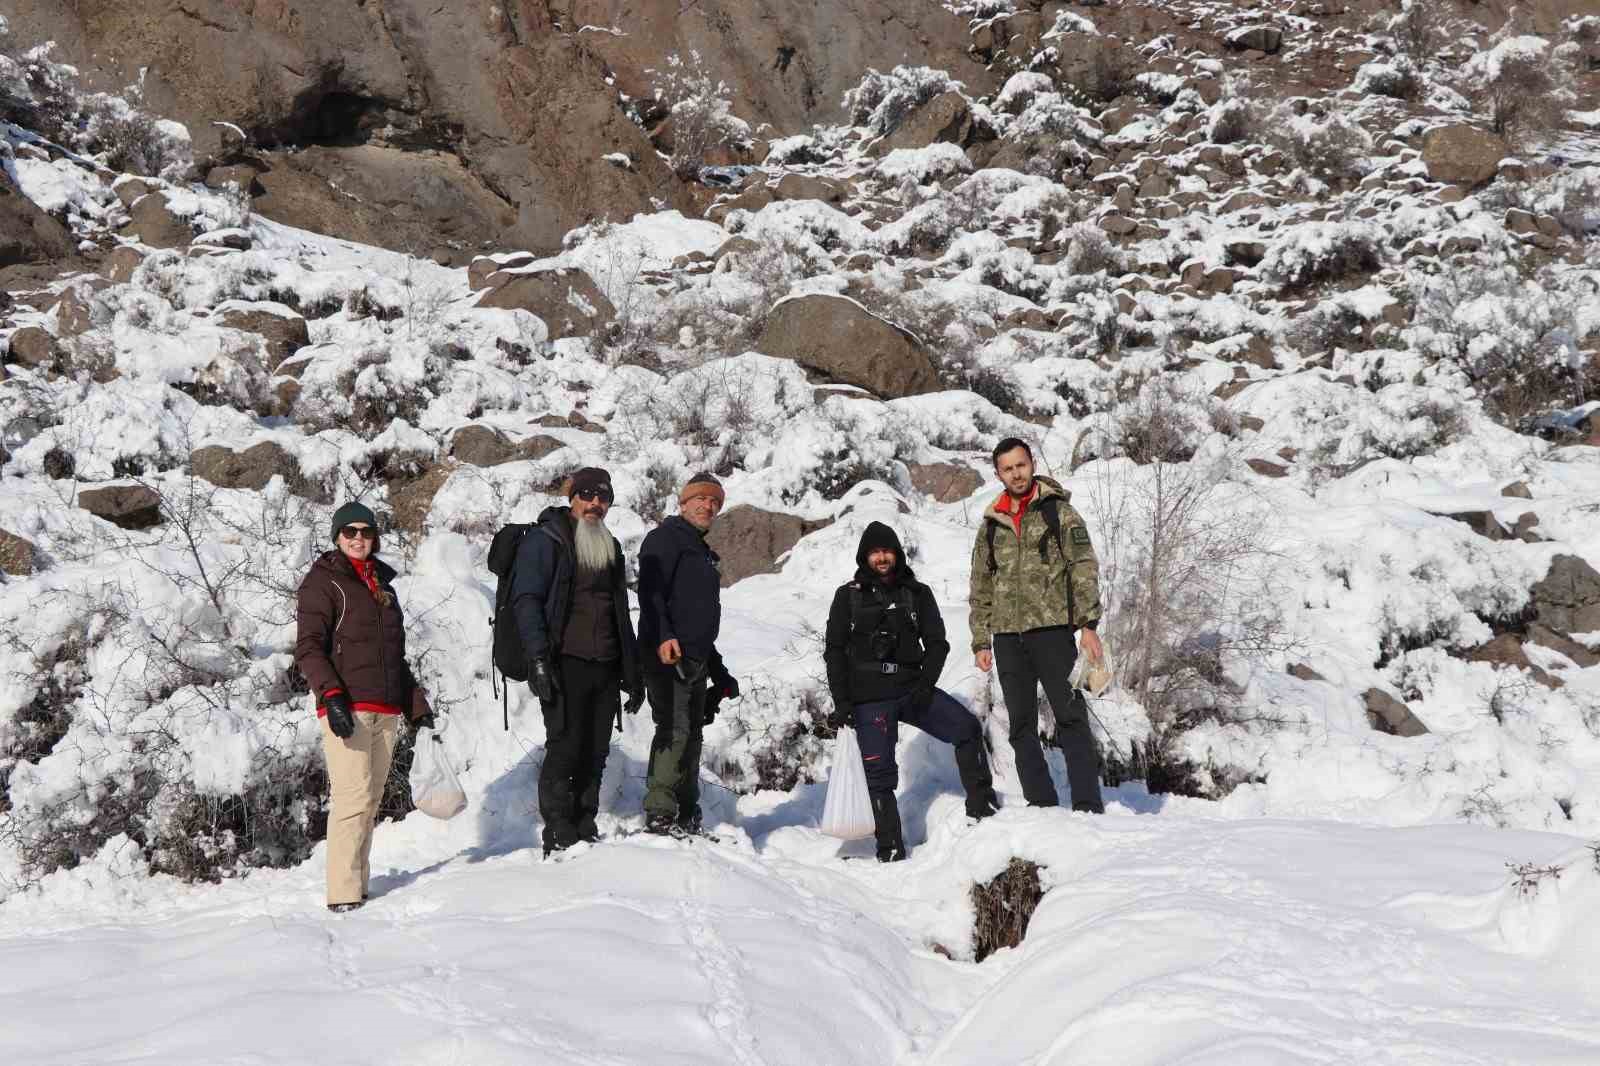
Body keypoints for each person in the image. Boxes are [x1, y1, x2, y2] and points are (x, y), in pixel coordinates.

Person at [824, 522, 998, 862]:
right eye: (874, 552)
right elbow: (834, 651)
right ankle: (889, 849)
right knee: (879, 775)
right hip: (868, 698)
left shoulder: (917, 593)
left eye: (887, 551)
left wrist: (925, 685)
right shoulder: (848, 596)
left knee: (966, 729)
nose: (882, 558)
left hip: (912, 690)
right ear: (865, 557)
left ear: (897, 553)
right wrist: (842, 702)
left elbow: (938, 644)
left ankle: (983, 809)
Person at [295, 501, 433, 913]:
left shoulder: (382, 586)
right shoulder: (323, 582)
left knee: (369, 800)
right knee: (353, 799)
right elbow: (308, 649)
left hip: (386, 708)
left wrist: (416, 704)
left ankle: (359, 884)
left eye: (366, 532)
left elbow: (395, 656)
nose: (359, 538)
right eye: (350, 531)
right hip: (347, 706)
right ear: (338, 536)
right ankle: (342, 894)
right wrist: (332, 697)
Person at [509, 467, 645, 856]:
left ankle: (586, 820)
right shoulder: (546, 540)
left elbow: (620, 612)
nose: (595, 503)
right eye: (588, 495)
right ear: (573, 497)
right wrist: (537, 658)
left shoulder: (609, 545)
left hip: (604, 664)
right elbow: (527, 600)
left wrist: (632, 671)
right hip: (562, 662)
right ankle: (558, 828)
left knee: (597, 748)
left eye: (603, 497)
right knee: (565, 746)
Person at [968, 438, 1106, 813]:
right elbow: (981, 582)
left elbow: (1083, 566)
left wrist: (1088, 624)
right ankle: (1041, 802)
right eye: (1008, 468)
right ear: (998, 474)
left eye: (1021, 465)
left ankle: (1087, 804)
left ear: (1031, 464)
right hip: (1008, 637)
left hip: (1052, 631)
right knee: (1021, 725)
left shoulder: (1057, 512)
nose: (1016, 473)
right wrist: (981, 640)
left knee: (1071, 716)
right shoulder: (992, 523)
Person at [637, 471, 739, 836]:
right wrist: (663, 636)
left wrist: (720, 671)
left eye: (715, 502)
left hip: (695, 659)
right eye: (702, 499)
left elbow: (697, 622)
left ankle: (685, 811)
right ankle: (660, 812)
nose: (708, 506)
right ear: (683, 502)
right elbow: (649, 593)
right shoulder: (665, 539)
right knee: (675, 730)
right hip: (665, 655)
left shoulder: (702, 552)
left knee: (693, 734)